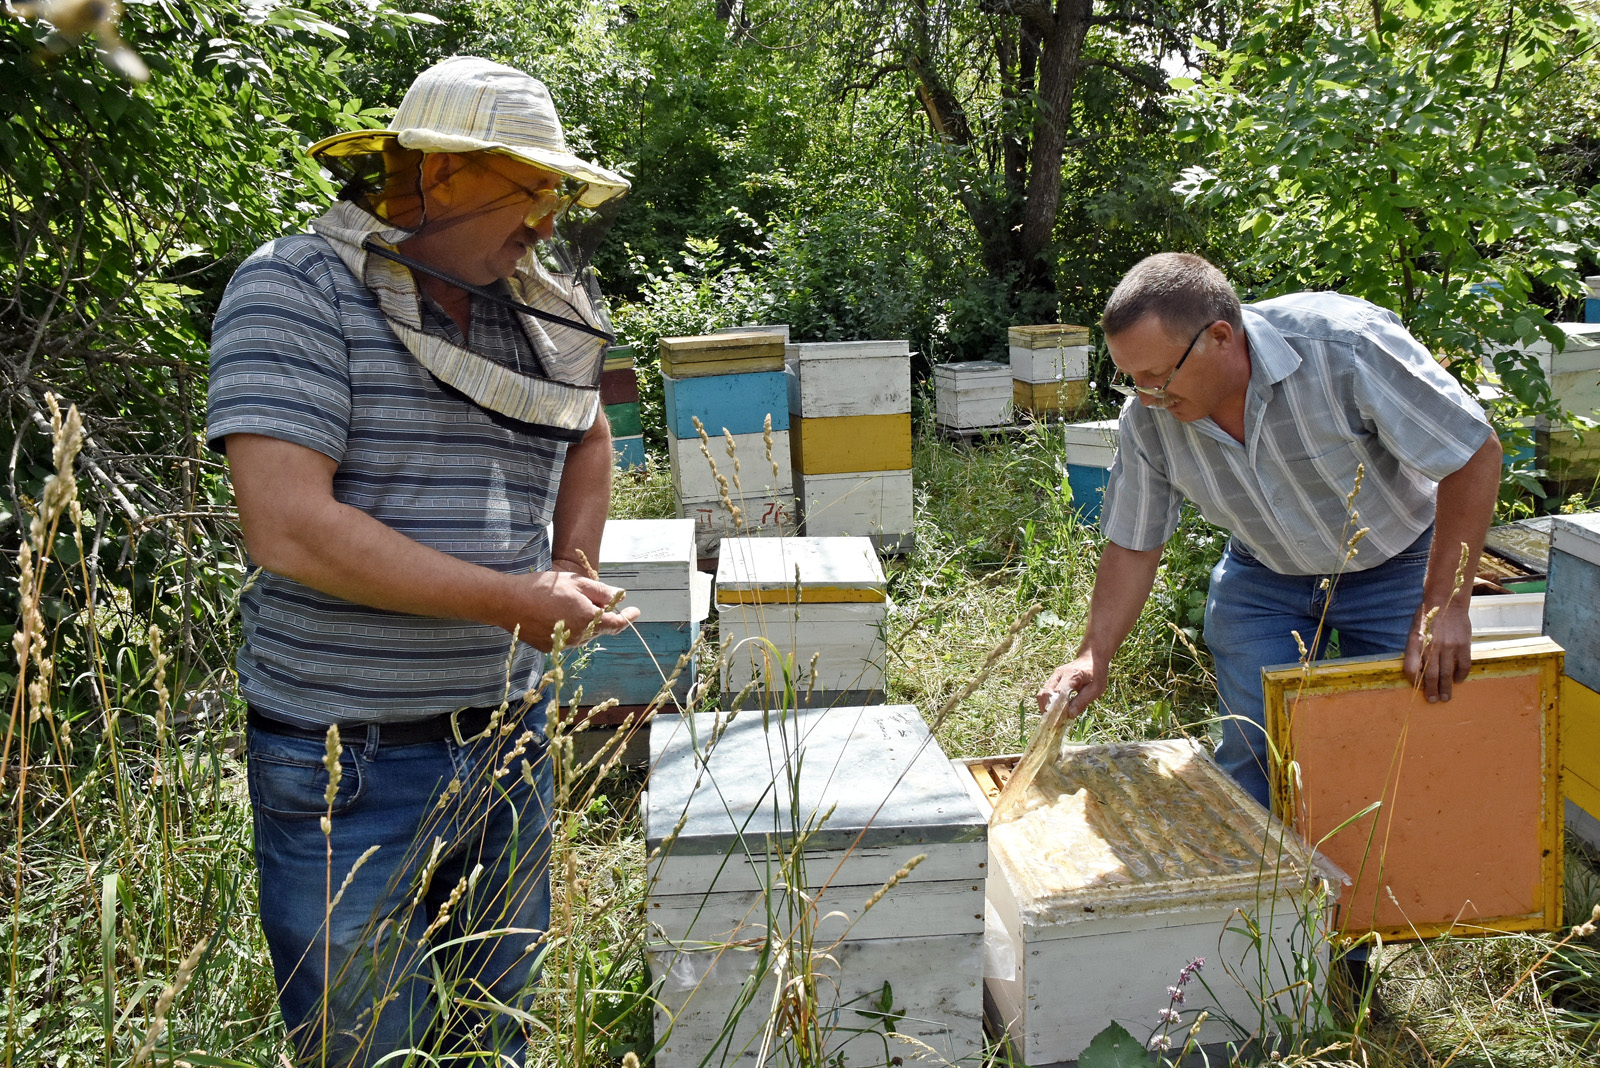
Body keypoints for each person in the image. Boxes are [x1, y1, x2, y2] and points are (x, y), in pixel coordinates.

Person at [207, 56, 638, 1065]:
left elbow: (589, 434)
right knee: (367, 1045)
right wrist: (508, 601)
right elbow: (286, 525)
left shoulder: (533, 303)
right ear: (439, 175)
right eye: (525, 188)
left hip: (511, 737)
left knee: (495, 1034)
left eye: (552, 193)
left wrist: (568, 572)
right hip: (345, 760)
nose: (544, 218)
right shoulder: (295, 287)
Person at [1036, 253, 1502, 810]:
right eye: (1132, 377)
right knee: (1254, 751)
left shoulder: (1344, 348)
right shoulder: (1149, 420)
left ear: (1220, 337)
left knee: (1403, 744)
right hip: (1264, 576)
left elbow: (1473, 455)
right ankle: (1268, 892)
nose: (1145, 394)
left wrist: (1444, 606)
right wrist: (1095, 652)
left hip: (1398, 565)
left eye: (1158, 375)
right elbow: (1136, 540)